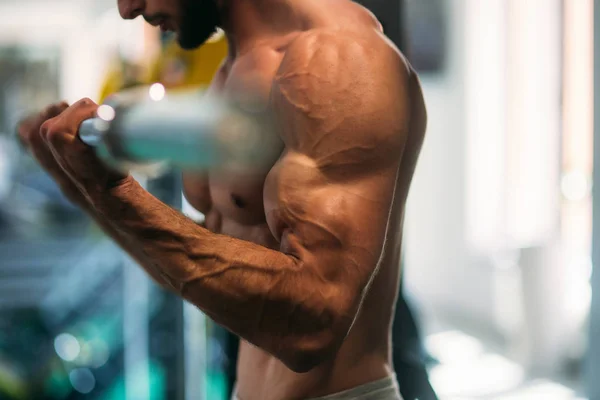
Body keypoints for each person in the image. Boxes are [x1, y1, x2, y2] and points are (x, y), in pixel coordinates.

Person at [17, 0, 427, 398]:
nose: (128, 8)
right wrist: (83, 188)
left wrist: (114, 194)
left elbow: (313, 325)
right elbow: (205, 267)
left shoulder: (338, 58)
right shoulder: (231, 67)